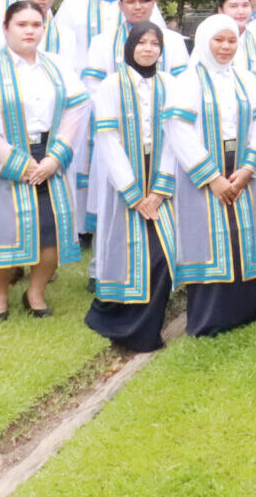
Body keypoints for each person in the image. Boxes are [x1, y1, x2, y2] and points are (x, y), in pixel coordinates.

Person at [0, 1, 91, 321]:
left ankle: (36, 291)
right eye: (21, 24)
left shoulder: (57, 65)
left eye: (36, 25)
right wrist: (11, 159)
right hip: (0, 158)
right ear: (5, 28)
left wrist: (58, 155)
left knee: (50, 227)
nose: (29, 30)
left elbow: (76, 107)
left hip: (49, 157)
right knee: (0, 227)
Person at [164, 14, 256, 337]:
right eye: (218, 40)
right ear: (203, 41)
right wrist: (212, 176)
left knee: (240, 236)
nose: (226, 47)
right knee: (208, 239)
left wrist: (248, 168)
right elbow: (179, 130)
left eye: (231, 41)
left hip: (241, 168)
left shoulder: (245, 79)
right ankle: (209, 317)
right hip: (204, 173)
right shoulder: (188, 80)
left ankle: (242, 310)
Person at [84, 24, 179, 353]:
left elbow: (177, 136)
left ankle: (149, 325)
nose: (149, 49)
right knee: (127, 251)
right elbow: (108, 140)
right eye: (142, 43)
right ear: (129, 47)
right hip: (124, 177)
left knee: (164, 253)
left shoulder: (171, 85)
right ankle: (119, 322)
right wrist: (133, 193)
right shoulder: (112, 85)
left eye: (155, 43)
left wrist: (160, 188)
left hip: (162, 177)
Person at [82, 0, 180, 84]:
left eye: (143, 1)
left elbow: (182, 83)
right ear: (121, 5)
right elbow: (93, 86)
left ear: (153, 3)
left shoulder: (174, 41)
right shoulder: (101, 43)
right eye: (130, 2)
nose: (138, 7)